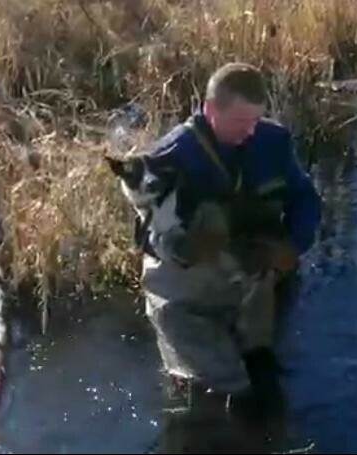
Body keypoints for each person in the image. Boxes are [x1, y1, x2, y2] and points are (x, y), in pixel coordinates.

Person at [132, 62, 322, 417]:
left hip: (248, 279)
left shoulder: (273, 142)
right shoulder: (167, 158)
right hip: (184, 295)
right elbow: (147, 236)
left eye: (255, 121)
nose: (250, 132)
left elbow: (305, 198)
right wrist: (187, 247)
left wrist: (294, 246)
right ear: (209, 110)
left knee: (262, 367)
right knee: (216, 394)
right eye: (239, 123)